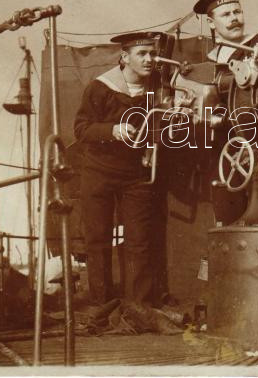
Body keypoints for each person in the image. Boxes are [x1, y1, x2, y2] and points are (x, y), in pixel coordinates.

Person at [73, 31, 180, 334]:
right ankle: (101, 309)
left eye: (153, 53)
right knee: (98, 241)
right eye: (142, 54)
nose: (150, 59)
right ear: (125, 57)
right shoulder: (101, 87)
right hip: (98, 172)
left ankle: (139, 309)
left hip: (136, 174)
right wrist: (113, 130)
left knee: (139, 242)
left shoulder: (159, 87)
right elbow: (81, 129)